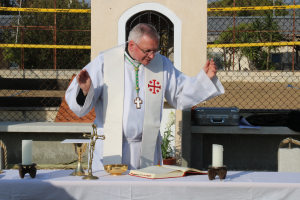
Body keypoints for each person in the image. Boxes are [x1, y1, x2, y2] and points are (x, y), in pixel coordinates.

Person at [65, 23, 224, 170]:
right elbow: (79, 107)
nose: (152, 55)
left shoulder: (161, 64)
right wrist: (85, 91)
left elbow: (180, 93)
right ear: (132, 45)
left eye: (155, 50)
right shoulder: (105, 62)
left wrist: (203, 79)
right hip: (110, 146)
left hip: (146, 148)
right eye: (147, 50)